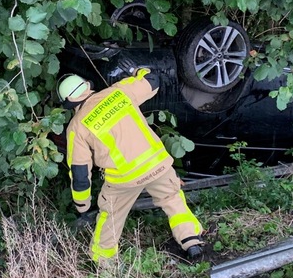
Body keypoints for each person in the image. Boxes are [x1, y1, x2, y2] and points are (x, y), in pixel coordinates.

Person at [57, 62, 204, 263]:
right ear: (87, 87)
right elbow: (152, 81)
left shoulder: (77, 127)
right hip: (157, 164)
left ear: (69, 103)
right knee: (172, 199)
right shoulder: (119, 92)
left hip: (123, 178)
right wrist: (138, 71)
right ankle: (191, 241)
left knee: (111, 216)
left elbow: (80, 172)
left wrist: (82, 205)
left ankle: (103, 261)